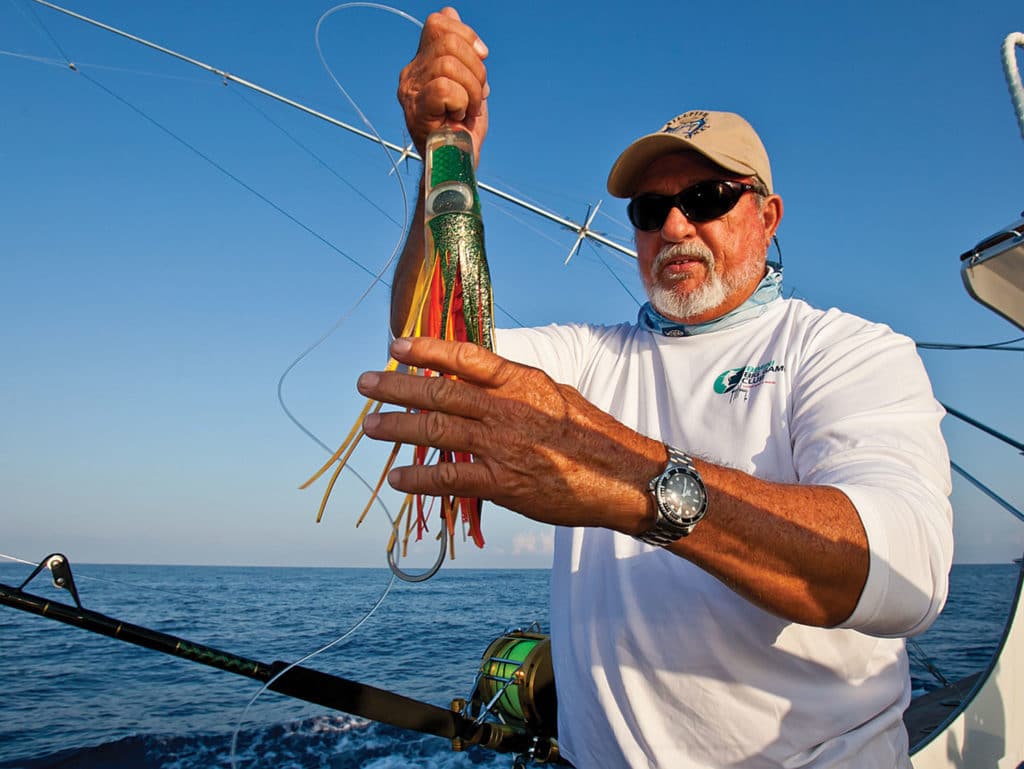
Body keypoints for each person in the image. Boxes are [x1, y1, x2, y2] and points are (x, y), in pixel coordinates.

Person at [356, 8, 954, 768]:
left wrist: (619, 475)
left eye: (705, 198)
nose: (673, 225)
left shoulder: (846, 349)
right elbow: (438, 359)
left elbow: (908, 573)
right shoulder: (591, 357)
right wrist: (449, 156)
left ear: (767, 217)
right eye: (648, 210)